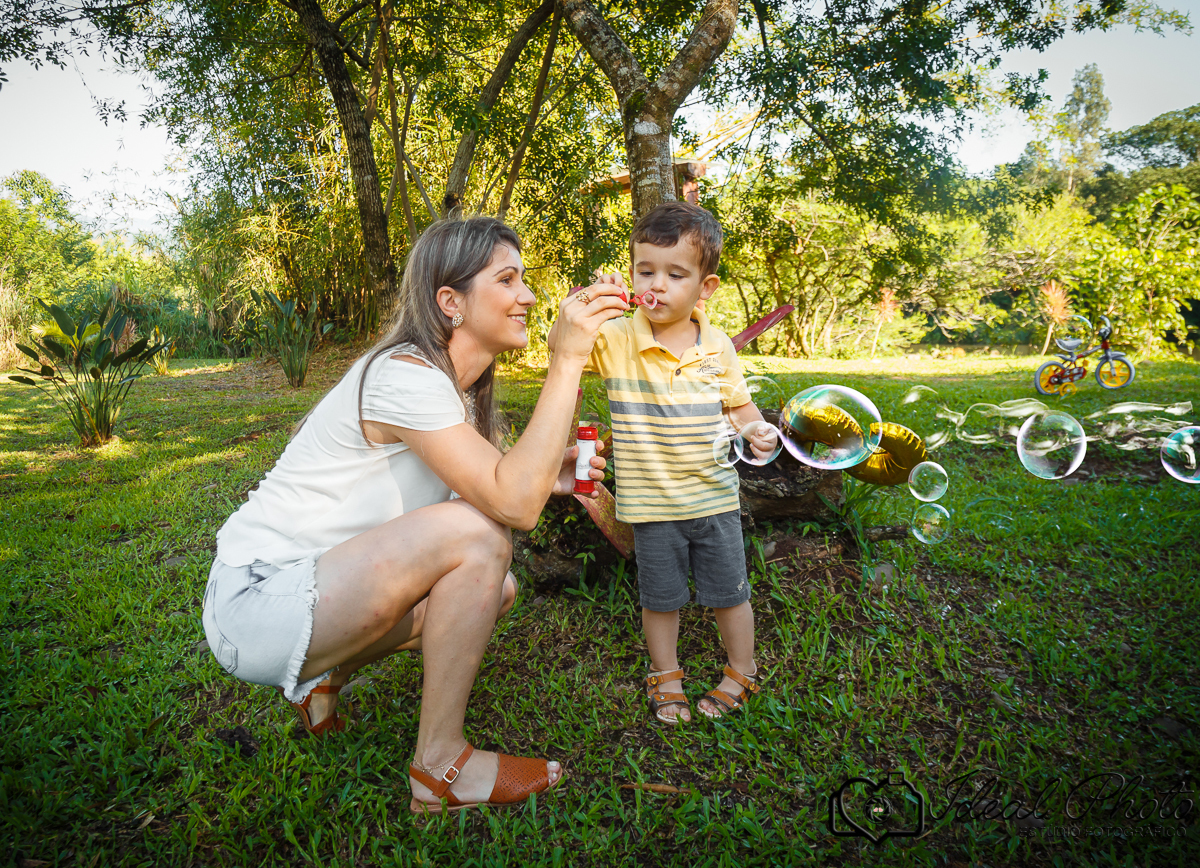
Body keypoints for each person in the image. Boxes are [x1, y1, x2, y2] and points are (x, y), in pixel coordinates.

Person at [201, 216, 628, 813]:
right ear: (450, 302)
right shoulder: (405, 375)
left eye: (524, 280)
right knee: (481, 534)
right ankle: (440, 767)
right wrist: (566, 361)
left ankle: (324, 679)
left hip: (313, 589)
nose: (529, 297)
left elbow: (494, 490)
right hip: (255, 603)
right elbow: (509, 507)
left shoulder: (449, 391)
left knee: (494, 589)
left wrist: (538, 471)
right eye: (508, 280)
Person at [548, 201, 777, 724]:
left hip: (714, 499)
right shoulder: (616, 338)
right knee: (661, 599)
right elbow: (562, 346)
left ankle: (742, 668)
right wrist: (584, 303)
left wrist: (756, 429)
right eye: (645, 270)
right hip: (650, 506)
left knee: (729, 593)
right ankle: (666, 674)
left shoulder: (717, 347)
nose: (658, 284)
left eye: (676, 274)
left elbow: (739, 407)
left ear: (706, 287)